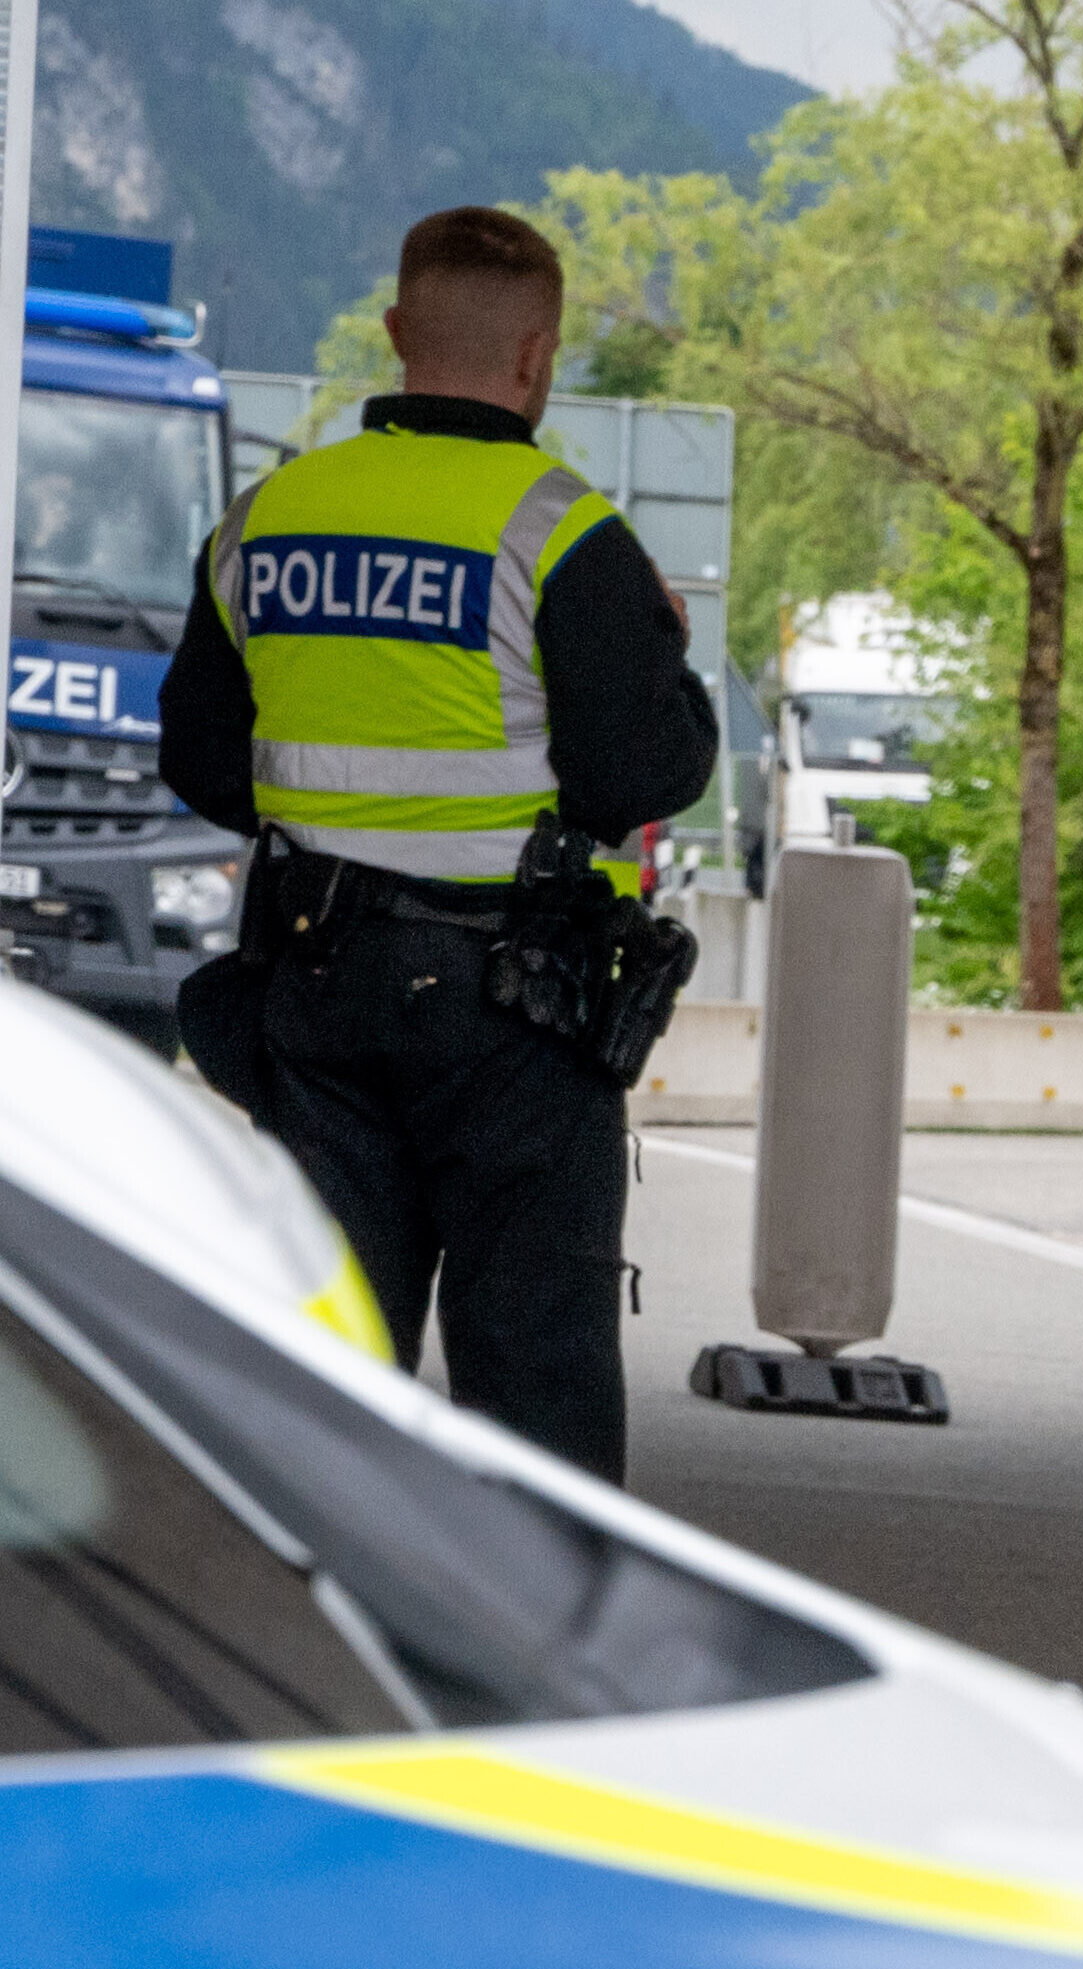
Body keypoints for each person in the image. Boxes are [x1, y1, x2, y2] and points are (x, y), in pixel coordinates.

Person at [162, 206, 715, 1480]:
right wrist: (664, 656)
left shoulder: (268, 517)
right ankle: (530, 1655)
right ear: (540, 357)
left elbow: (198, 758)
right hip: (514, 1012)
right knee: (532, 1379)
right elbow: (647, 773)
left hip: (310, 984)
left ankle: (309, 1636)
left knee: (323, 1364)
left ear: (400, 332)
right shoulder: (565, 531)